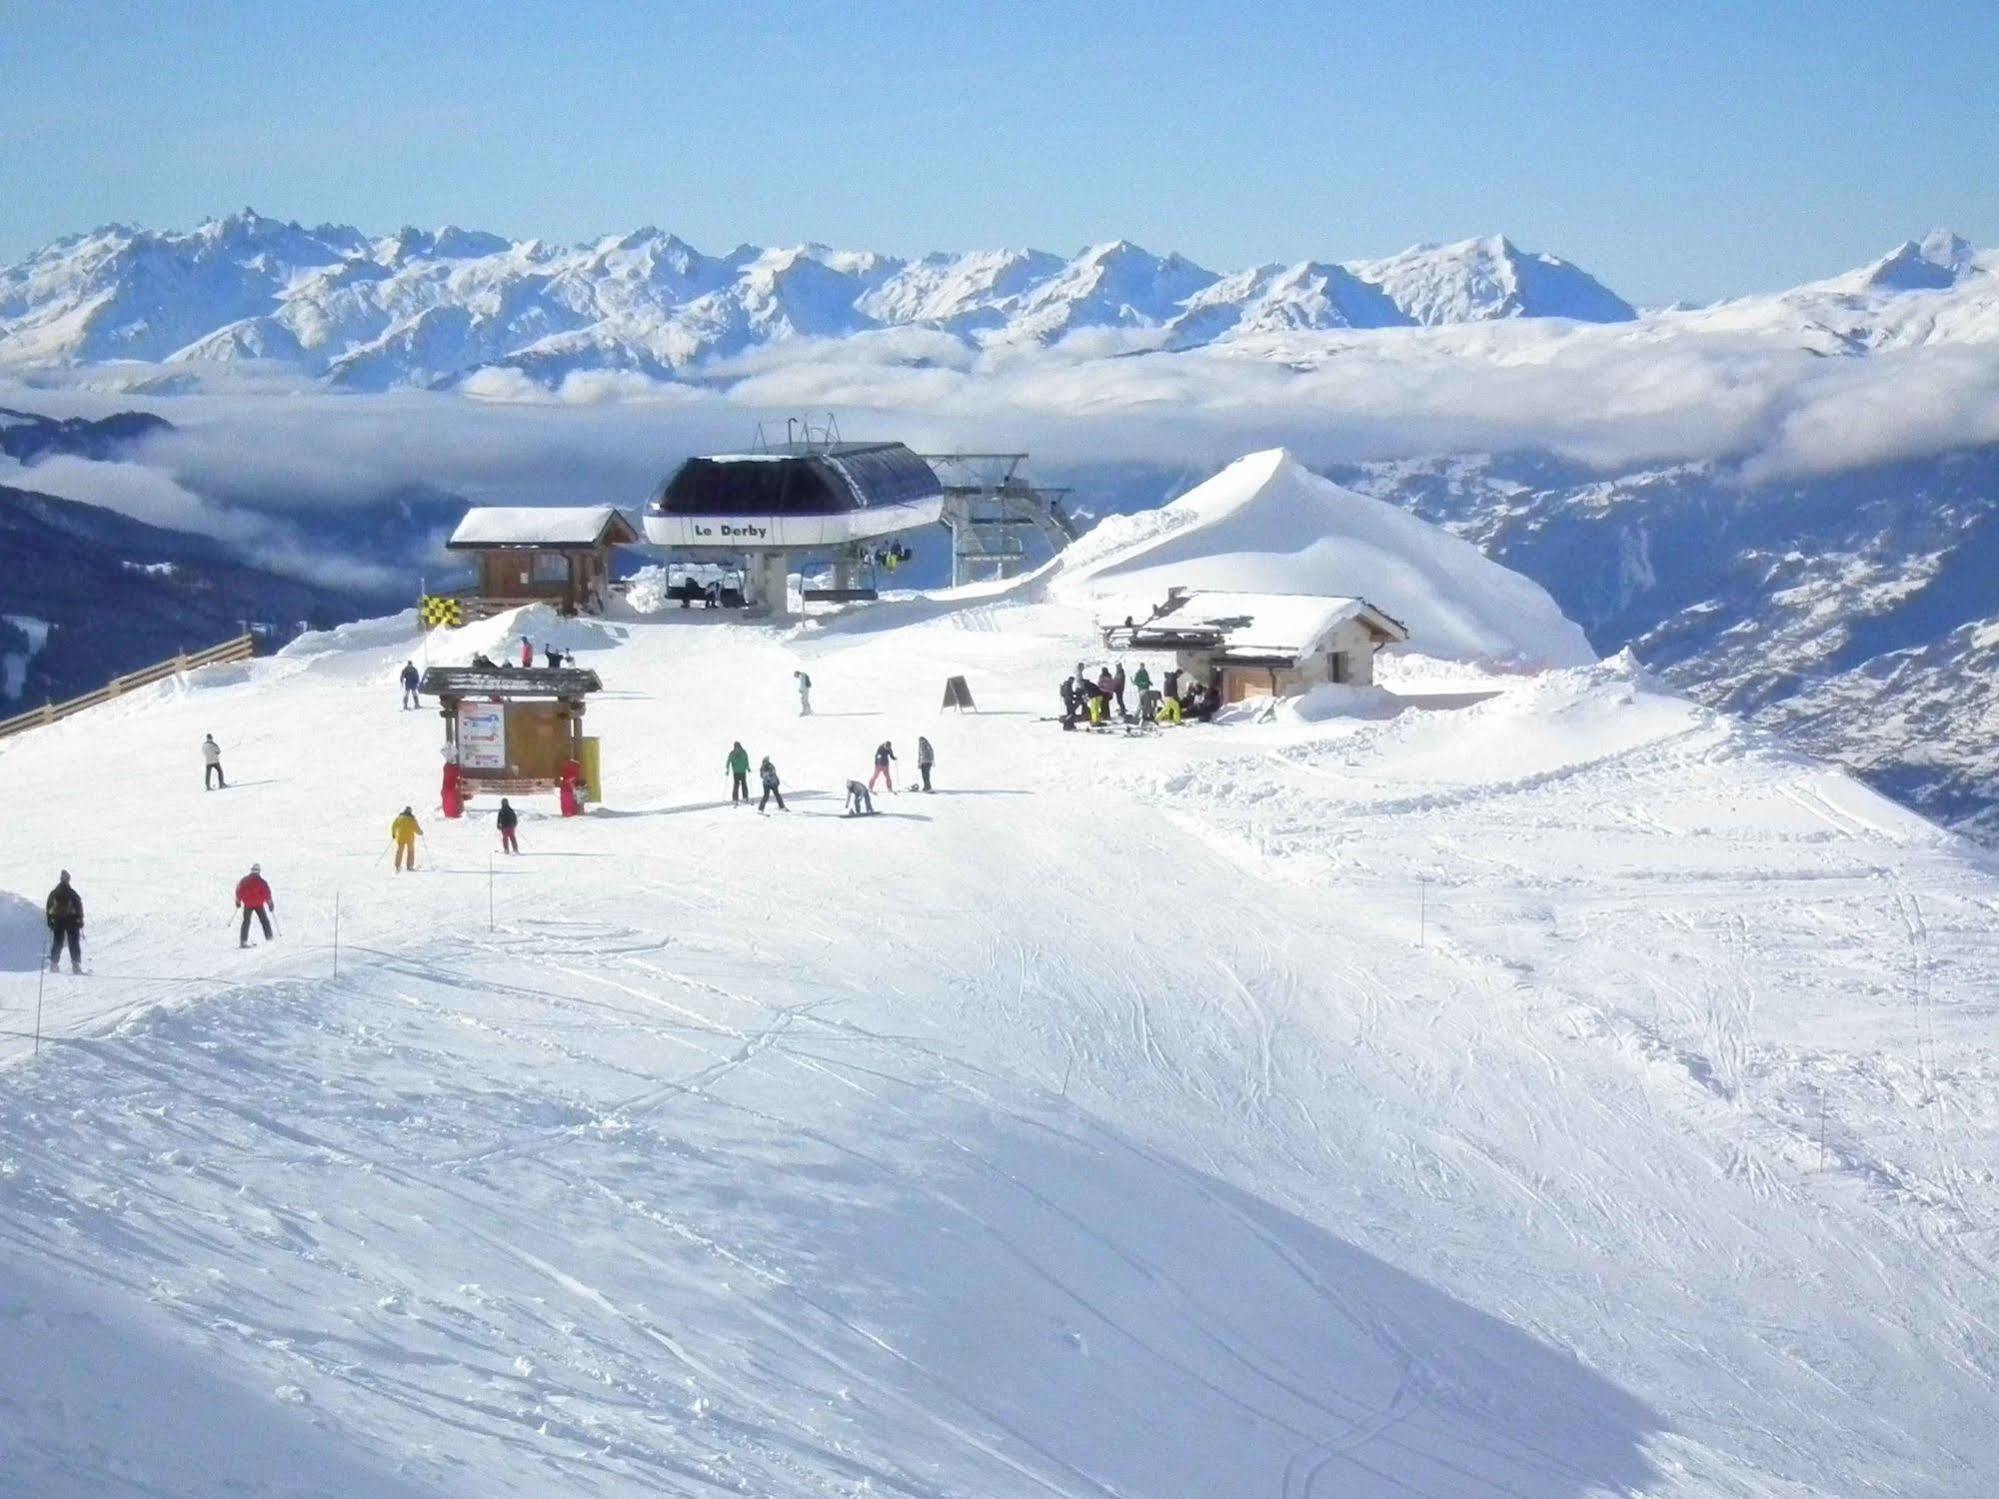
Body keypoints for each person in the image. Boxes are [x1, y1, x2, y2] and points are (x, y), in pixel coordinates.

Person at [44, 870, 82, 974]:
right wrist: (80, 921)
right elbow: (79, 906)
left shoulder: (54, 893)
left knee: (58, 942)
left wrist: (49, 920)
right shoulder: (72, 893)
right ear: (68, 879)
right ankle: (76, 966)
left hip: (58, 920)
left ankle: (54, 965)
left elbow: (48, 908)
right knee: (73, 943)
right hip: (72, 921)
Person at [235, 863, 275, 947]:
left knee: (246, 921)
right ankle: (269, 937)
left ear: (251, 870)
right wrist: (270, 904)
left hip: (248, 904)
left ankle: (243, 941)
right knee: (264, 920)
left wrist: (238, 901)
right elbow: (267, 893)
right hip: (258, 904)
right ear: (259, 871)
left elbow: (239, 890)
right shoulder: (262, 881)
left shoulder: (244, 880)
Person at [391, 806, 423, 871]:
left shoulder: (399, 818)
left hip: (401, 837)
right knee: (410, 851)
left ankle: (397, 865)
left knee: (399, 851)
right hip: (409, 838)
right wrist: (420, 832)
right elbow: (416, 828)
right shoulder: (412, 819)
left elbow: (393, 826)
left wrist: (393, 834)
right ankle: (410, 866)